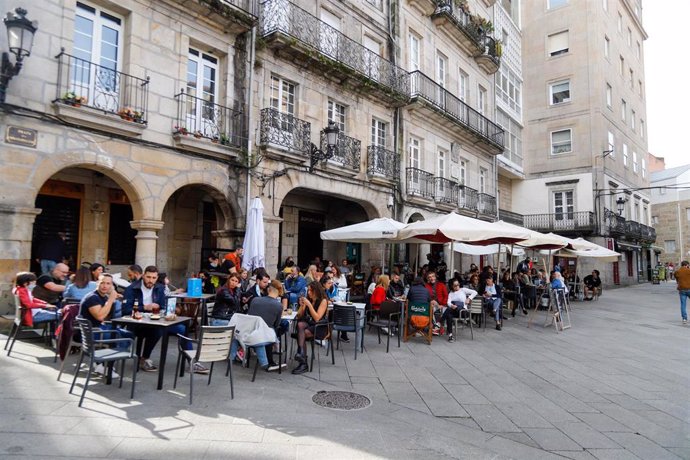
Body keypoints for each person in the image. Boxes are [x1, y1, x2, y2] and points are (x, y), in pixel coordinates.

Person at [80, 274, 133, 376]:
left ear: (112, 285)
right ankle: (104, 366)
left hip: (99, 328)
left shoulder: (102, 297)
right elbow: (100, 316)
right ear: (97, 284)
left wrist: (112, 300)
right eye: (102, 283)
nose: (105, 286)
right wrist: (111, 299)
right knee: (122, 338)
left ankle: (102, 363)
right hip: (92, 332)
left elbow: (106, 316)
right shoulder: (93, 297)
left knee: (129, 334)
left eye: (108, 283)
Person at [246, 280, 286, 372]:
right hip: (264, 335)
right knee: (273, 329)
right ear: (279, 292)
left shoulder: (255, 300)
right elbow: (276, 324)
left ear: (268, 290)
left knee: (269, 328)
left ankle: (270, 357)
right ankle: (271, 359)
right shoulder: (278, 305)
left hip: (250, 331)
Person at [292, 281, 329, 375]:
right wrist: (301, 306)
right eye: (308, 290)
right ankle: (301, 356)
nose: (308, 292)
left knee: (301, 334)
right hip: (309, 324)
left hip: (319, 327)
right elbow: (299, 316)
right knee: (300, 325)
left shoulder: (323, 301)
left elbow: (317, 318)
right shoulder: (309, 299)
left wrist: (309, 305)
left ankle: (303, 361)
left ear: (316, 291)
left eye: (310, 290)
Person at [425, 271, 448, 335]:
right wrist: (430, 301)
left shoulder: (441, 285)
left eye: (433, 276)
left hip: (442, 305)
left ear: (435, 277)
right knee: (430, 309)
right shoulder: (426, 286)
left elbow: (446, 296)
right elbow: (426, 297)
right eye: (429, 277)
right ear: (427, 279)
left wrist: (442, 304)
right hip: (432, 305)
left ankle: (436, 327)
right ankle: (436, 327)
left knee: (434, 310)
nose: (431, 278)